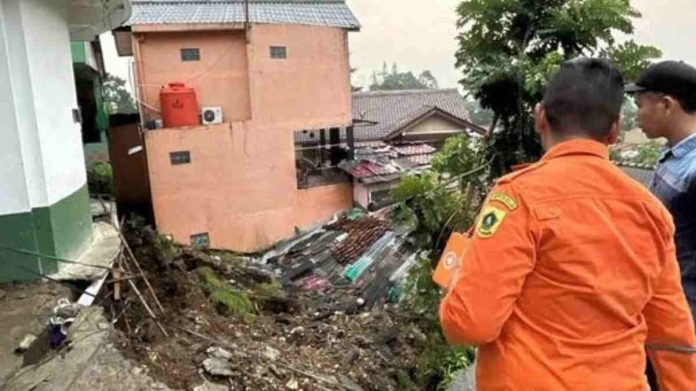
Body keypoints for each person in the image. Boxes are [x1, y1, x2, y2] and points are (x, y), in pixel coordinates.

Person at [439, 58, 696, 390]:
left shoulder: (516, 198)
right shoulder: (651, 211)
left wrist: (453, 290)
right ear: (615, 130)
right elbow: (672, 333)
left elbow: (469, 324)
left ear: (540, 117)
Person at [626, 61, 696, 321]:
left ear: (666, 105)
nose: (636, 116)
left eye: (640, 105)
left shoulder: (692, 169)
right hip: (666, 306)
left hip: (687, 317)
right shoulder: (674, 156)